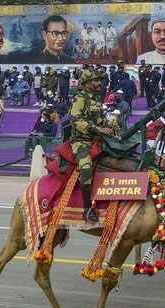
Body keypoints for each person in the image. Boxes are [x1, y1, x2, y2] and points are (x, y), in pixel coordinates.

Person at [70, 69, 114, 221]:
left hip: (97, 140)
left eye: (99, 80)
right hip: (81, 141)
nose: (99, 83)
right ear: (87, 83)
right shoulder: (79, 99)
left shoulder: (96, 99)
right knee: (86, 167)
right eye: (95, 81)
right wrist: (98, 129)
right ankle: (87, 209)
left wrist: (110, 125)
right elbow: (76, 121)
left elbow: (101, 119)